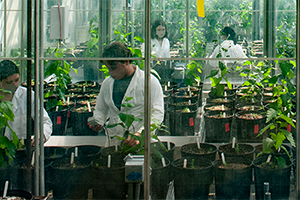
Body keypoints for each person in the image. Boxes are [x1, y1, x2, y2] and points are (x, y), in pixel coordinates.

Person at [89, 41, 164, 146]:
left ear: (127, 61)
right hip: (114, 142)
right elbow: (101, 109)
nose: (111, 73)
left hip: (140, 143)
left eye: (113, 68)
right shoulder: (107, 83)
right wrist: (98, 121)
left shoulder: (149, 81)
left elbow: (157, 114)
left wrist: (141, 133)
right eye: (108, 69)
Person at [0, 60, 52, 146]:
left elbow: (45, 121)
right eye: (9, 82)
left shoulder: (27, 95)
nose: (15, 85)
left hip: (21, 150)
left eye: (17, 80)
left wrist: (41, 135)